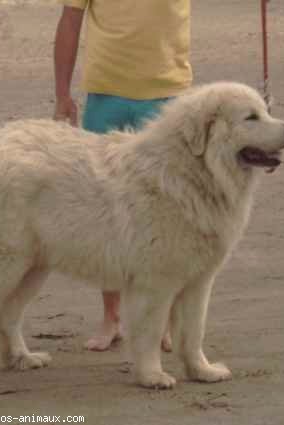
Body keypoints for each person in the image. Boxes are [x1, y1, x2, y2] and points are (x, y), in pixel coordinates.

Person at [53, 0, 192, 351]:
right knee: (107, 212)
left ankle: (162, 321)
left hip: (167, 92)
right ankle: (111, 317)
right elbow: (70, 20)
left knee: (169, 217)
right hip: (106, 93)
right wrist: (62, 94)